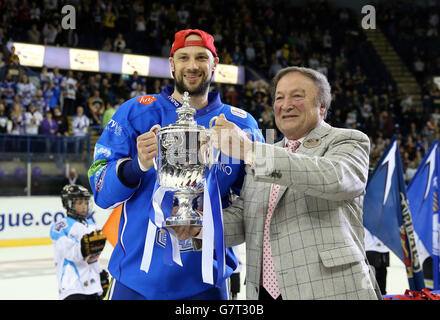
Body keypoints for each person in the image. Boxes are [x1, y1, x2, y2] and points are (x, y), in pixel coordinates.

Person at [88, 29, 262, 300]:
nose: (192, 66)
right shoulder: (135, 113)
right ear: (172, 64)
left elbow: (258, 200)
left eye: (201, 58)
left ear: (215, 64)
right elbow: (100, 189)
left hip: (207, 282)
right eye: (183, 58)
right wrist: (137, 166)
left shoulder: (240, 124)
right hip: (135, 281)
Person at [184, 66, 381, 300]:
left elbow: (334, 178)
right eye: (279, 97)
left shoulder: (347, 141)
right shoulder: (263, 154)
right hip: (262, 292)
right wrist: (199, 225)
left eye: (297, 96)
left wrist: (250, 151)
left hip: (330, 290)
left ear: (322, 106)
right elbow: (246, 218)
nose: (286, 104)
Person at [49, 184, 109, 300]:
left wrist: (99, 275)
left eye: (86, 202)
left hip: (93, 289)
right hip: (72, 288)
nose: (84, 206)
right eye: (80, 203)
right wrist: (83, 248)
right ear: (68, 203)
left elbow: (93, 259)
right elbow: (70, 253)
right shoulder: (61, 226)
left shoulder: (92, 226)